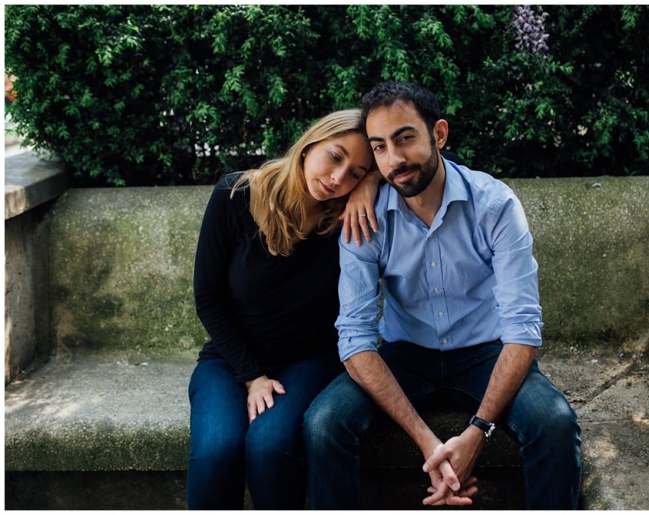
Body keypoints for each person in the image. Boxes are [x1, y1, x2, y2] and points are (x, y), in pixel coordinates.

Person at [303, 82, 582, 509]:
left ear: (439, 135)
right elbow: (355, 337)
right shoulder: (365, 219)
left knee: (555, 423)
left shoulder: (495, 205)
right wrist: (429, 443)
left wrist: (476, 433)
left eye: (405, 138)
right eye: (379, 148)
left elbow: (523, 330)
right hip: (404, 354)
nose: (393, 159)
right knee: (323, 423)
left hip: (485, 353)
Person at [186, 109, 380, 510]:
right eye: (335, 156)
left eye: (357, 172)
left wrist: (373, 183)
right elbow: (207, 296)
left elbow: (428, 161)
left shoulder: (346, 217)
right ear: (309, 145)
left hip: (308, 360)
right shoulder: (235, 194)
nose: (338, 178)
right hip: (230, 358)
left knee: (269, 447)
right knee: (216, 451)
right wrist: (252, 375)